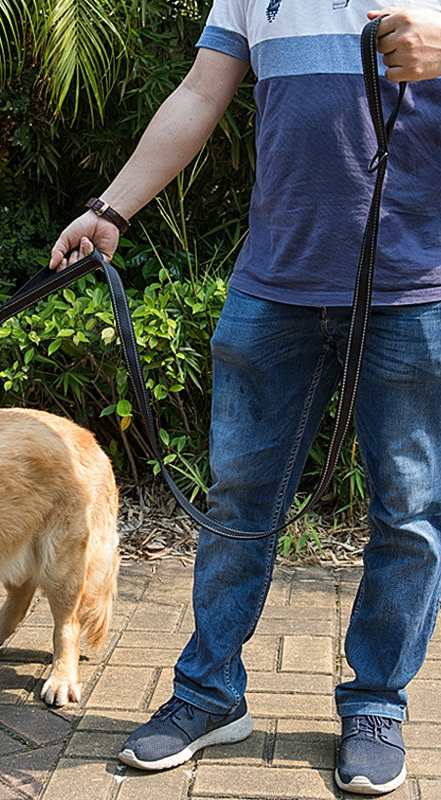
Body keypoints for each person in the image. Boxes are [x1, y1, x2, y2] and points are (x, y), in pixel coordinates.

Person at [49, 3, 441, 795]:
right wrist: (111, 208)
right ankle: (209, 693)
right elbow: (200, 92)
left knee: (409, 510)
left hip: (417, 290)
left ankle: (376, 704)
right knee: (237, 500)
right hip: (274, 286)